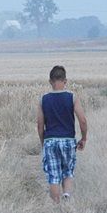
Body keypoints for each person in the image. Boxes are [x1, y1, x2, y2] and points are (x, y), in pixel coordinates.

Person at [36, 65, 88, 203]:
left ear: (50, 81)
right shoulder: (72, 97)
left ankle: (56, 207)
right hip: (68, 140)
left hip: (50, 140)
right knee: (67, 172)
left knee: (53, 176)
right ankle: (67, 197)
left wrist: (43, 142)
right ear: (65, 81)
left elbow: (40, 125)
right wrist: (84, 138)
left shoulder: (43, 99)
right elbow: (82, 120)